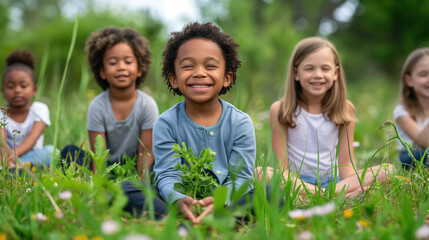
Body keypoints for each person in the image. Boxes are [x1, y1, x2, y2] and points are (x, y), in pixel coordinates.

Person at [152, 22, 260, 224]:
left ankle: (220, 220)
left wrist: (221, 200)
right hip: (181, 200)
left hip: (226, 202)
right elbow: (167, 174)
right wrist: (178, 198)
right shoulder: (166, 123)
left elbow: (242, 178)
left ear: (227, 78)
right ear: (173, 79)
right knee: (130, 190)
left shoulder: (240, 122)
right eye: (188, 66)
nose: (199, 72)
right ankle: (181, 216)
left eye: (210, 66)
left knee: (270, 195)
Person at [258, 37, 391, 196]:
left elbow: (346, 163)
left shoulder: (345, 108)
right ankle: (329, 197)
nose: (318, 75)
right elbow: (282, 168)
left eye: (325, 69)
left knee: (388, 170)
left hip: (333, 182)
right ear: (296, 73)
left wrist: (352, 183)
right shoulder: (280, 109)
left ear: (335, 73)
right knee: (261, 173)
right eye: (309, 68)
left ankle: (323, 196)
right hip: (297, 182)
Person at [62, 26, 159, 180]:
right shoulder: (98, 105)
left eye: (128, 61)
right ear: (102, 72)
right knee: (70, 152)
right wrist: (98, 186)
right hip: (107, 168)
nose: (121, 67)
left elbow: (145, 153)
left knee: (162, 161)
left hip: (134, 168)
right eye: (113, 63)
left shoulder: (147, 105)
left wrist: (141, 185)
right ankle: (83, 183)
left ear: (140, 69)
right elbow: (98, 155)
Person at [0, 49, 53, 168]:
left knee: (51, 151)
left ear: (34, 90)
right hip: (4, 157)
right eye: (10, 86)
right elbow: (1, 141)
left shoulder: (39, 109)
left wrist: (13, 156)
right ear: (3, 91)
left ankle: (21, 166)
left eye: (23, 86)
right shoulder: (1, 113)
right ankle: (12, 168)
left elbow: (33, 138)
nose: (17, 90)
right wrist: (6, 158)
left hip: (29, 155)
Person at [393, 48, 429, 169]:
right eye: (423, 74)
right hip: (412, 157)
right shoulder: (402, 111)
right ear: (409, 80)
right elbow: (423, 142)